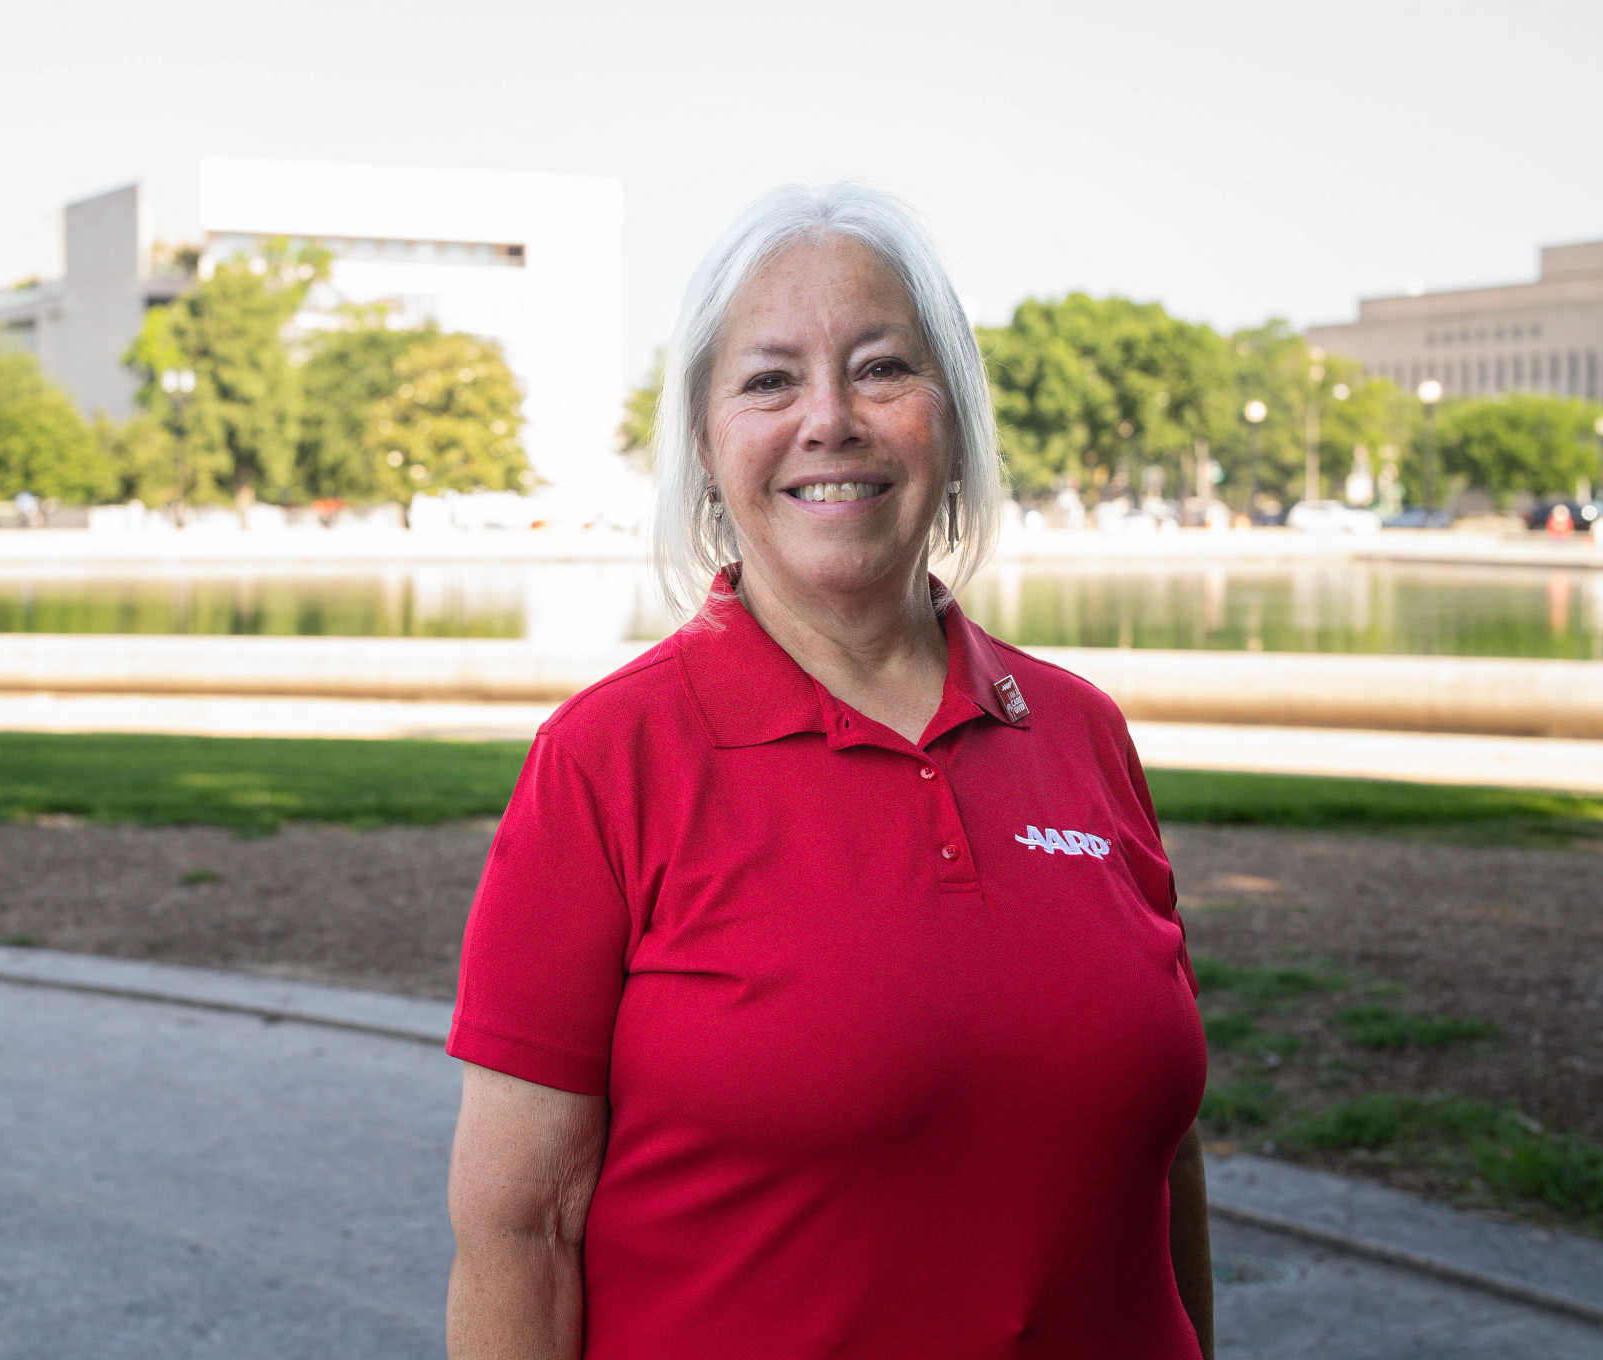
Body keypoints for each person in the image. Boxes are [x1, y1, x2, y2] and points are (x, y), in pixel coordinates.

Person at [445, 183, 1213, 1359]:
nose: (829, 419)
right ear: (703, 449)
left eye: (879, 368)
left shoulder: (1080, 734)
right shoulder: (603, 765)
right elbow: (519, 1231)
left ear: (950, 421)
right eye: (767, 380)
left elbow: (1162, 1165)